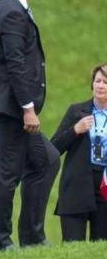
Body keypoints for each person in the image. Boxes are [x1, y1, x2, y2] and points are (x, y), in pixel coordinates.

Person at [0, 0, 60, 249]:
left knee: (47, 160)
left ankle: (32, 236)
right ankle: (1, 241)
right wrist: (28, 108)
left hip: (8, 106)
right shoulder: (14, 12)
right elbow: (15, 64)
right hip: (13, 109)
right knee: (8, 174)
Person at [49, 63, 107, 241]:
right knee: (73, 247)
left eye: (105, 82)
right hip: (77, 185)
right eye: (97, 81)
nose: (100, 85)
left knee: (101, 249)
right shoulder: (76, 111)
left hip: (105, 186)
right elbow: (53, 148)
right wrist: (75, 129)